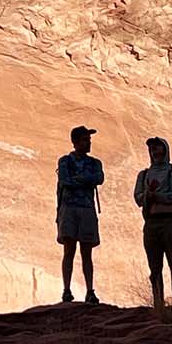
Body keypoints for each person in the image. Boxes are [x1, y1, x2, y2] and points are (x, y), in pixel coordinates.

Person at [132, 136, 172, 309]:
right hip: (151, 223)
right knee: (155, 268)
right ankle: (158, 305)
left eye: (158, 148)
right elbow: (138, 198)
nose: (155, 152)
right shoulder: (144, 175)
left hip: (170, 221)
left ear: (165, 150)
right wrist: (148, 196)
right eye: (152, 149)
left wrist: (161, 197)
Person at [57, 125, 104, 303]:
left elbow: (99, 178)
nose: (89, 143)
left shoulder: (95, 163)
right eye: (85, 140)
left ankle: (90, 290)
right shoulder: (65, 161)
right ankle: (67, 289)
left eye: (89, 140)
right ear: (75, 142)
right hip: (69, 208)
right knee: (68, 250)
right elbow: (64, 181)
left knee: (87, 252)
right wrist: (85, 179)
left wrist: (78, 179)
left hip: (86, 209)